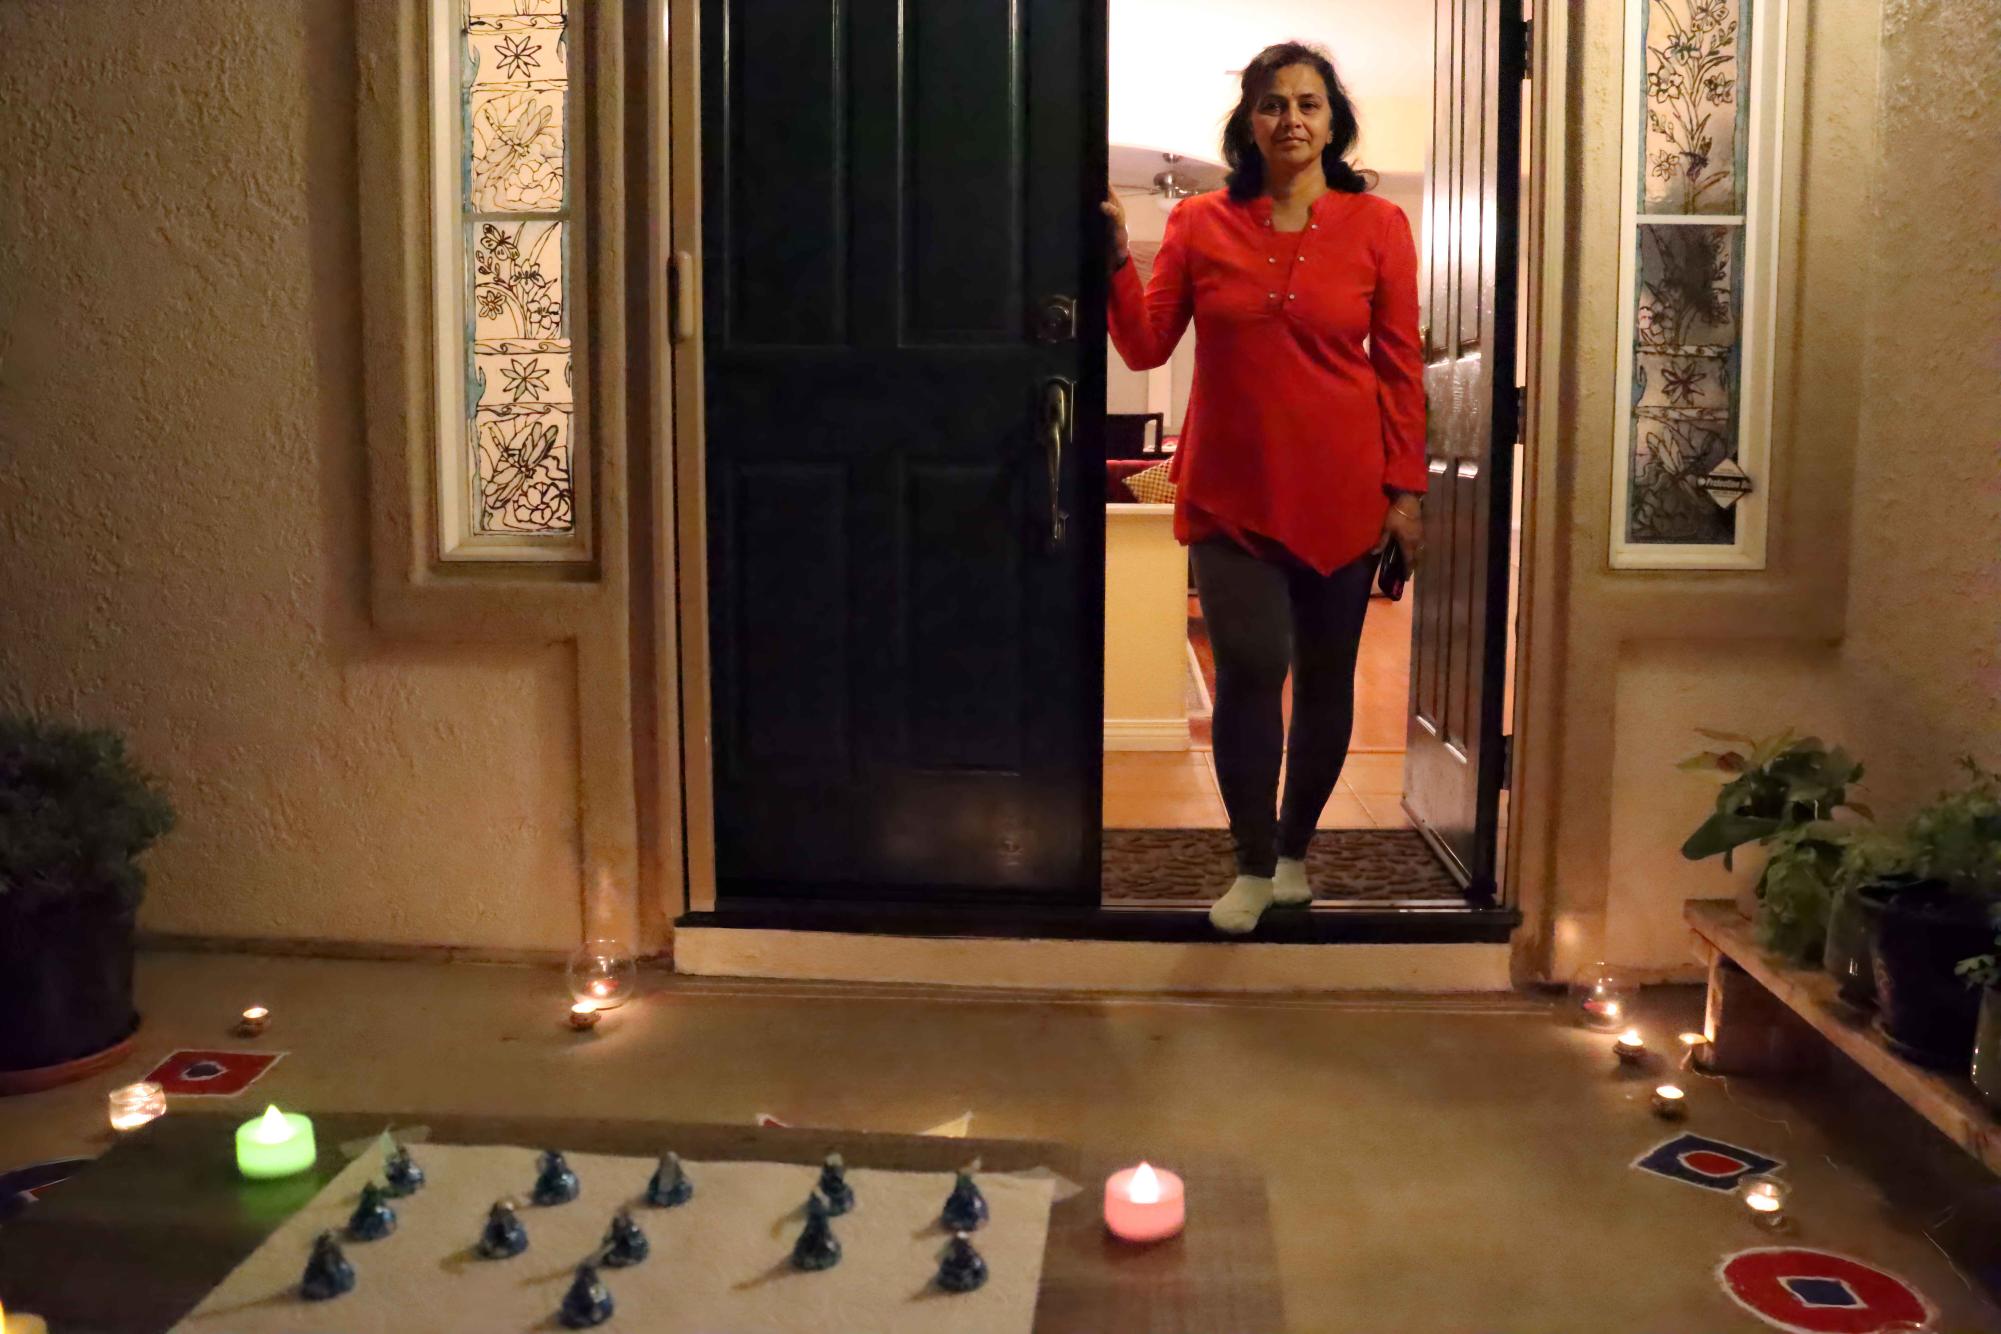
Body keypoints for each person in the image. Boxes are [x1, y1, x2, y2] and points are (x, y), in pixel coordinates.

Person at [1104, 41, 1426, 935]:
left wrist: (1405, 493)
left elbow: (1400, 367)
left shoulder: (1379, 227)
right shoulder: (1200, 222)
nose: (1292, 119)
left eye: (1308, 104)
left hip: (1343, 490)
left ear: (1333, 121)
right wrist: (1107, 262)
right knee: (1251, 667)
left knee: (1327, 683)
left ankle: (1294, 855)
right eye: (1274, 104)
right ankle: (1248, 862)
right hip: (1230, 491)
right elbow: (1142, 345)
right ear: (1249, 121)